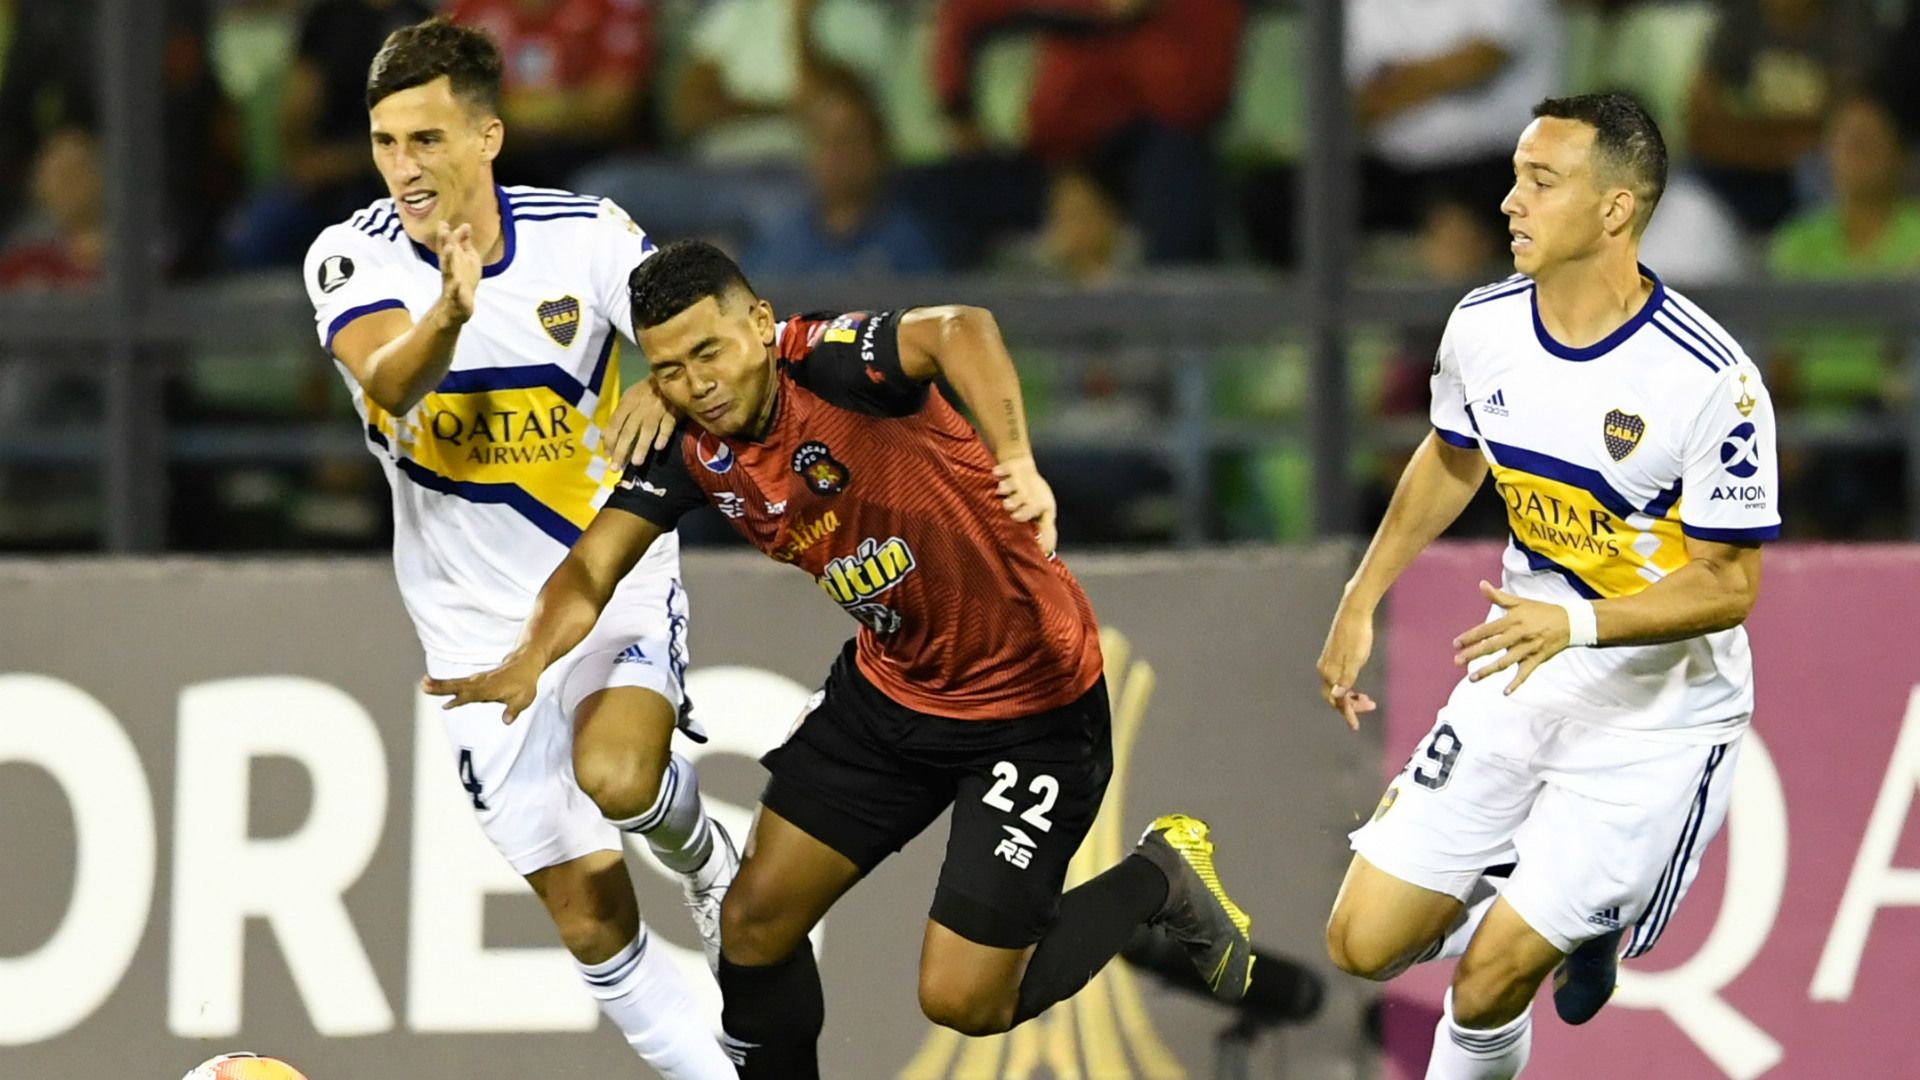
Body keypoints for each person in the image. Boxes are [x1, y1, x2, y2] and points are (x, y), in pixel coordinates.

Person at [426, 239, 1255, 1077]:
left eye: (709, 352)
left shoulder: (829, 366)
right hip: (890, 694)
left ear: (758, 323)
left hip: (1029, 708)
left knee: (965, 1000)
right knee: (752, 924)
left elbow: (961, 327)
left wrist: (1015, 461)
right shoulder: (692, 448)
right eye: (668, 369)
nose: (695, 384)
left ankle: (1161, 875)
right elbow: (591, 565)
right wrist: (534, 654)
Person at [299, 19, 735, 1077]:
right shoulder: (349, 255)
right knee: (591, 920)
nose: (403, 167)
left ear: (487, 135)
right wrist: (447, 313)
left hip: (608, 577)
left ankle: (709, 859)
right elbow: (387, 380)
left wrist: (651, 387)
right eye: (385, 142)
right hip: (473, 632)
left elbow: (697, 318)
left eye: (428, 140)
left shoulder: (583, 235)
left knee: (622, 772)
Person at [1316, 93, 1779, 1078]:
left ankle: (1558, 921)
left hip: (1655, 718)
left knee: (1485, 981)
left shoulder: (1712, 382)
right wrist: (1362, 596)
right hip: (1527, 673)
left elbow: (1728, 587)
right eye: (1516, 176)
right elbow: (1451, 460)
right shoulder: (1482, 327)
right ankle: (1566, 915)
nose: (1509, 203)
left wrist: (1573, 622)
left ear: (1615, 210)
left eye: (1541, 180)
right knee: (1360, 943)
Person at [1347, 0, 1563, 237]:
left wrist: (1390, 85)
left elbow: (1477, 62)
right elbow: (1344, 106)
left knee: (1457, 227)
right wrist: (1430, 76)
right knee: (1310, 200)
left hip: (1496, 160)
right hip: (1390, 163)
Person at [1685, 0, 1876, 231]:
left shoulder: (1850, 18)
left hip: (1816, 169)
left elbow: (1851, 117)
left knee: (1827, 167)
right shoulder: (1741, 16)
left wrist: (1756, 131)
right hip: (1739, 168)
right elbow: (1700, 120)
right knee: (1684, 187)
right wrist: (1773, 143)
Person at [741, 65, 943, 278]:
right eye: (825, 141)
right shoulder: (781, 242)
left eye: (848, 141)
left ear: (878, 151)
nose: (837, 156)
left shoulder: (908, 247)